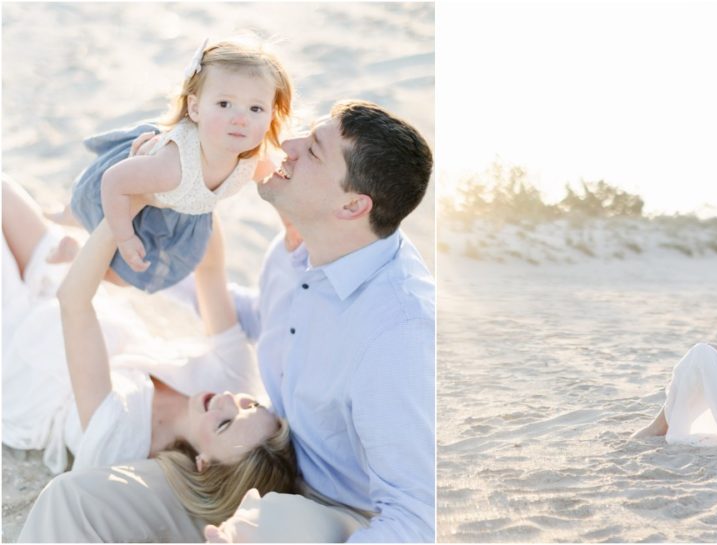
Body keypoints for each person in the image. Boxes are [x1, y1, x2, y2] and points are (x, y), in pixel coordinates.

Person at [19, 100, 436, 543]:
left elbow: (413, 517)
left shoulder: (398, 332)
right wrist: (125, 268)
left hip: (330, 508)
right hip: (246, 462)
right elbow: (259, 317)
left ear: (353, 206)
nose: (288, 146)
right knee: (74, 501)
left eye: (313, 150)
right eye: (308, 133)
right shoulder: (301, 250)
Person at [2, 179, 299, 535]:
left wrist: (121, 212)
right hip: (75, 298)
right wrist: (200, 183)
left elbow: (74, 302)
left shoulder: (122, 441)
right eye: (250, 405)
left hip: (20, 355)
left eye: (224, 423)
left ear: (202, 464)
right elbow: (209, 268)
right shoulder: (234, 379)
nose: (227, 402)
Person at [53, 37, 290, 292]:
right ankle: (60, 221)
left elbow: (280, 187)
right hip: (130, 191)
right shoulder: (173, 165)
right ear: (196, 108)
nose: (241, 118)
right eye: (224, 104)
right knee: (86, 220)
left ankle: (72, 250)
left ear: (270, 116)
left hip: (174, 210)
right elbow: (113, 181)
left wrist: (294, 226)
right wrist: (125, 237)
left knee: (124, 277)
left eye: (256, 108)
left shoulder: (253, 160)